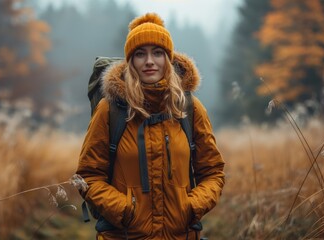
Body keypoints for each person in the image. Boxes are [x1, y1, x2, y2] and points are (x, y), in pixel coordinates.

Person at [76, 12, 225, 240]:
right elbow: (88, 176)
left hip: (180, 235)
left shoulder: (190, 108)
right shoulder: (110, 109)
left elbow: (213, 172)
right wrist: (125, 211)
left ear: (168, 58)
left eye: (157, 53)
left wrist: (190, 208)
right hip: (124, 236)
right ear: (130, 61)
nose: (149, 61)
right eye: (140, 54)